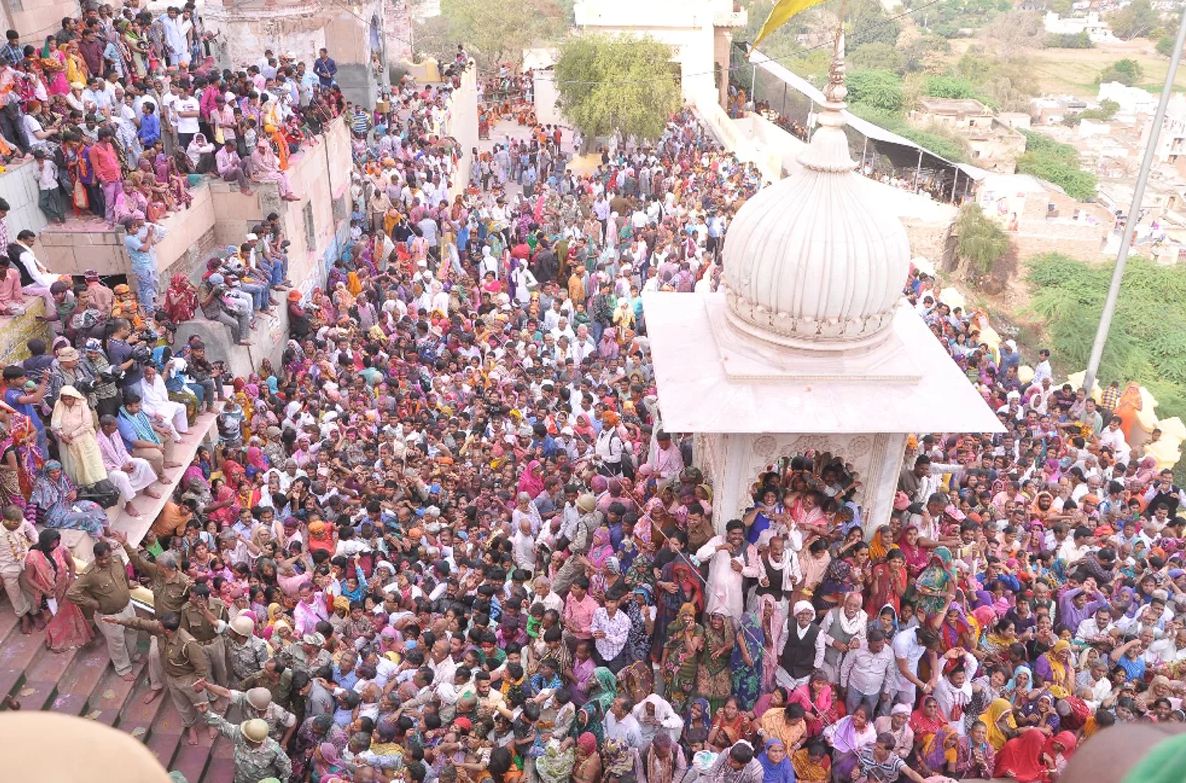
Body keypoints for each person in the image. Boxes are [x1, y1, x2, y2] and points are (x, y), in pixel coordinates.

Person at [66, 539, 138, 681]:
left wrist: (128, 584)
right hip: (109, 615)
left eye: (106, 557)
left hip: (127, 607)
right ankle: (123, 668)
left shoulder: (117, 560)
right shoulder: (90, 573)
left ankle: (133, 655)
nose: (104, 561)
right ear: (95, 557)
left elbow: (123, 574)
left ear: (111, 554)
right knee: (116, 642)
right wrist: (93, 603)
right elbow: (71, 593)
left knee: (132, 632)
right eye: (100, 559)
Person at [22, 528, 93, 651]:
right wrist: (45, 592)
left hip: (64, 589)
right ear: (44, 543)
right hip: (46, 593)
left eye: (56, 542)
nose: (54, 545)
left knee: (68, 613)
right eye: (52, 543)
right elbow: (29, 578)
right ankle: (55, 638)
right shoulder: (32, 556)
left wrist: (71, 579)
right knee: (52, 615)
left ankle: (69, 634)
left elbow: (71, 565)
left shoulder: (62, 550)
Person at [50, 385, 106, 487]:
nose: (67, 401)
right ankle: (77, 487)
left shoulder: (82, 404)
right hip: (65, 441)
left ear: (74, 397)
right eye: (65, 399)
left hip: (83, 439)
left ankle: (93, 486)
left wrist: (72, 435)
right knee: (72, 466)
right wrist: (62, 436)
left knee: (88, 464)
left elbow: (87, 424)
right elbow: (54, 424)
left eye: (69, 399)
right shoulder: (59, 405)